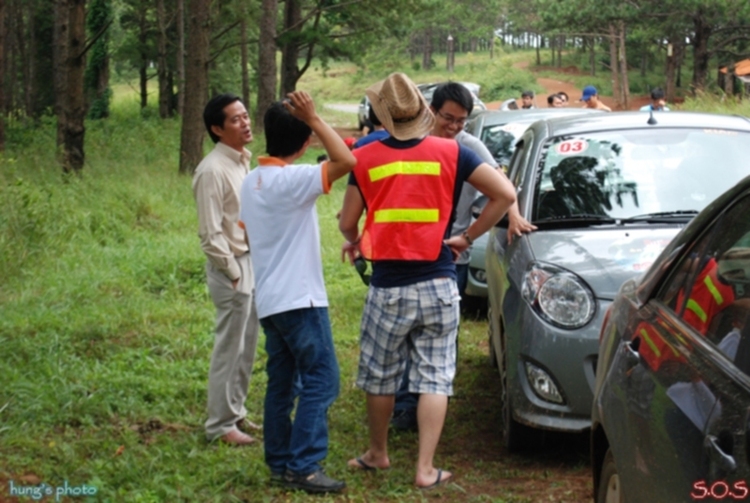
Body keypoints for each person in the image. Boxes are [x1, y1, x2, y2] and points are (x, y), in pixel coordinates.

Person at [338, 72, 516, 489]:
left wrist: (359, 240)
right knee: (435, 376)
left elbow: (348, 222)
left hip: (388, 286)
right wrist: (467, 237)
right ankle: (425, 469)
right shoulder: (452, 152)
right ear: (425, 112)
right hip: (438, 281)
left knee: (380, 374)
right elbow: (505, 195)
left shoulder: (364, 155)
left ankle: (377, 454)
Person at [389, 82, 537, 432]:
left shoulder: (470, 147)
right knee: (404, 329)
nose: (455, 127)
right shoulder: (412, 141)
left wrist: (511, 214)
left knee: (441, 333)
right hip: (406, 252)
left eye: (462, 121)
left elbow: (501, 184)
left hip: (448, 255)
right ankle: (404, 403)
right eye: (448, 119)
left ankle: (430, 400)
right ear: (430, 112)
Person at [239, 91, 356, 493]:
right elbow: (347, 161)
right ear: (306, 142)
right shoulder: (293, 179)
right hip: (301, 300)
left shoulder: (250, 181)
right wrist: (316, 117)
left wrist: (309, 121)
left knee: (282, 384)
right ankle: (304, 466)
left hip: (270, 300)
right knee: (323, 380)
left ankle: (279, 463)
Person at [192, 93, 261, 446]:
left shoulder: (241, 161)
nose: (245, 123)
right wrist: (232, 271)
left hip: (249, 261)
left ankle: (236, 414)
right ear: (217, 129)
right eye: (235, 119)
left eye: (245, 116)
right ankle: (219, 425)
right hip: (231, 267)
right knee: (229, 347)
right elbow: (210, 232)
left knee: (246, 346)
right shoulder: (212, 170)